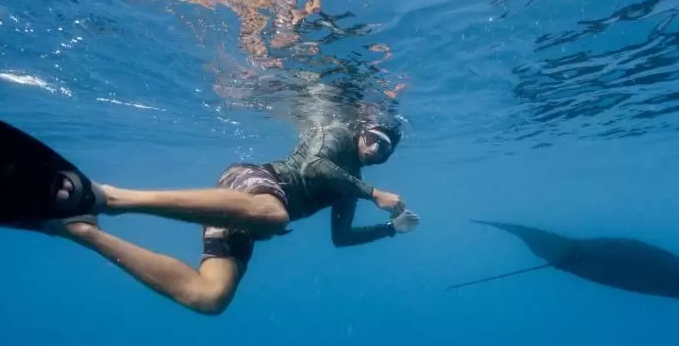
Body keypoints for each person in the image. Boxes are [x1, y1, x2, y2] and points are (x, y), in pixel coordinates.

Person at [46, 117, 419, 314]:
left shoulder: (351, 185)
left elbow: (342, 237)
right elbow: (314, 166)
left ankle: (80, 231)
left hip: (250, 218)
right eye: (374, 139)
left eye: (385, 149)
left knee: (211, 298)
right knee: (274, 216)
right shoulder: (336, 134)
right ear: (361, 132)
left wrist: (390, 229)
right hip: (251, 181)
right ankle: (109, 197)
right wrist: (372, 193)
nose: (376, 149)